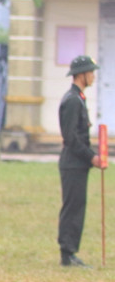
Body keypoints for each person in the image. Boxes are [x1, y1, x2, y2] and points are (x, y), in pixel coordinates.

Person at [58, 55, 104, 267]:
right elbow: (71, 137)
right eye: (90, 72)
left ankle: (71, 250)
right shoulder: (72, 100)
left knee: (78, 206)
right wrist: (91, 156)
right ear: (81, 74)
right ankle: (67, 253)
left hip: (78, 163)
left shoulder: (78, 98)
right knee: (73, 207)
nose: (93, 76)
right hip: (72, 163)